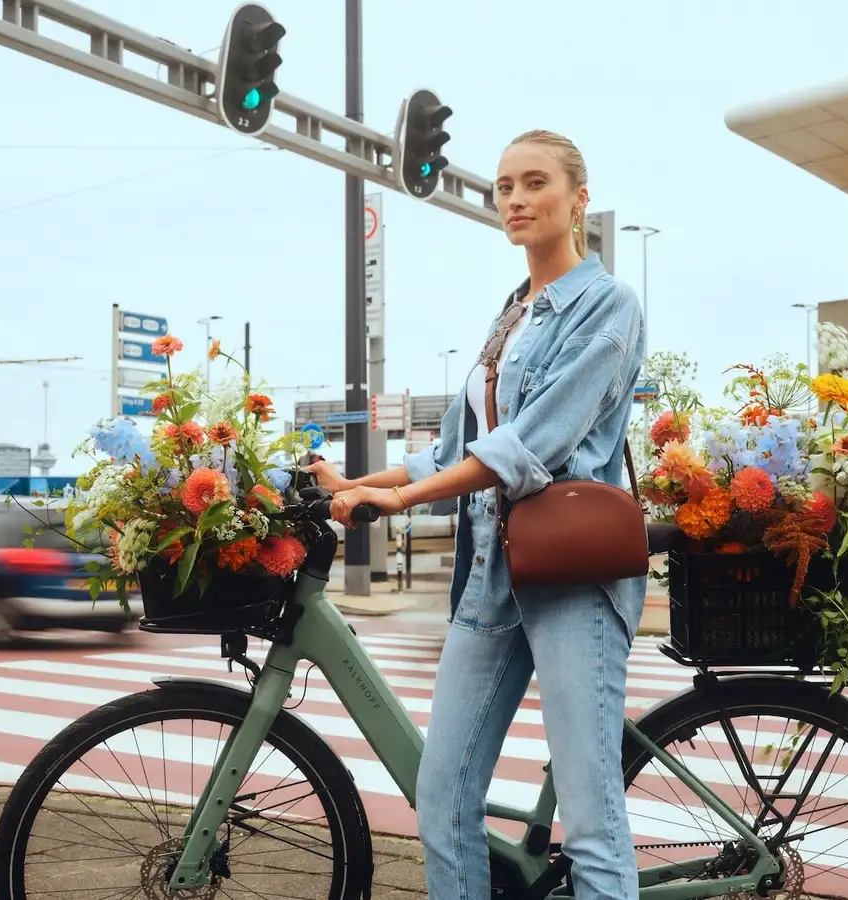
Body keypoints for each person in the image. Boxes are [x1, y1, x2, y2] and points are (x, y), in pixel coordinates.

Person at [303, 128, 647, 899]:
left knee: (591, 821)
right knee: (441, 794)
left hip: (571, 581)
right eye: (504, 187)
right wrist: (354, 481)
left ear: (578, 199)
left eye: (534, 183)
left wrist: (397, 502)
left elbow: (527, 447)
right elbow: (454, 451)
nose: (516, 201)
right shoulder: (512, 313)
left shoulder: (608, 305)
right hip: (490, 575)